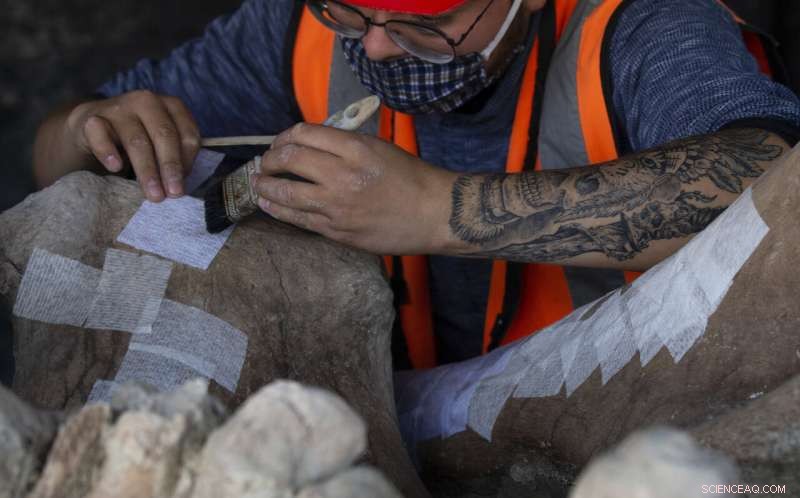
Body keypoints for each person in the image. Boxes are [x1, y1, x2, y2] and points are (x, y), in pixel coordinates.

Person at [32, 0, 800, 368]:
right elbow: (50, 162)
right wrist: (89, 129)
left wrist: (440, 210)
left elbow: (770, 178)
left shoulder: (645, 23)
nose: (375, 48)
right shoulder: (297, 24)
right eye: (351, 13)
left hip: (608, 423)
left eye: (423, 25)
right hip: (389, 422)